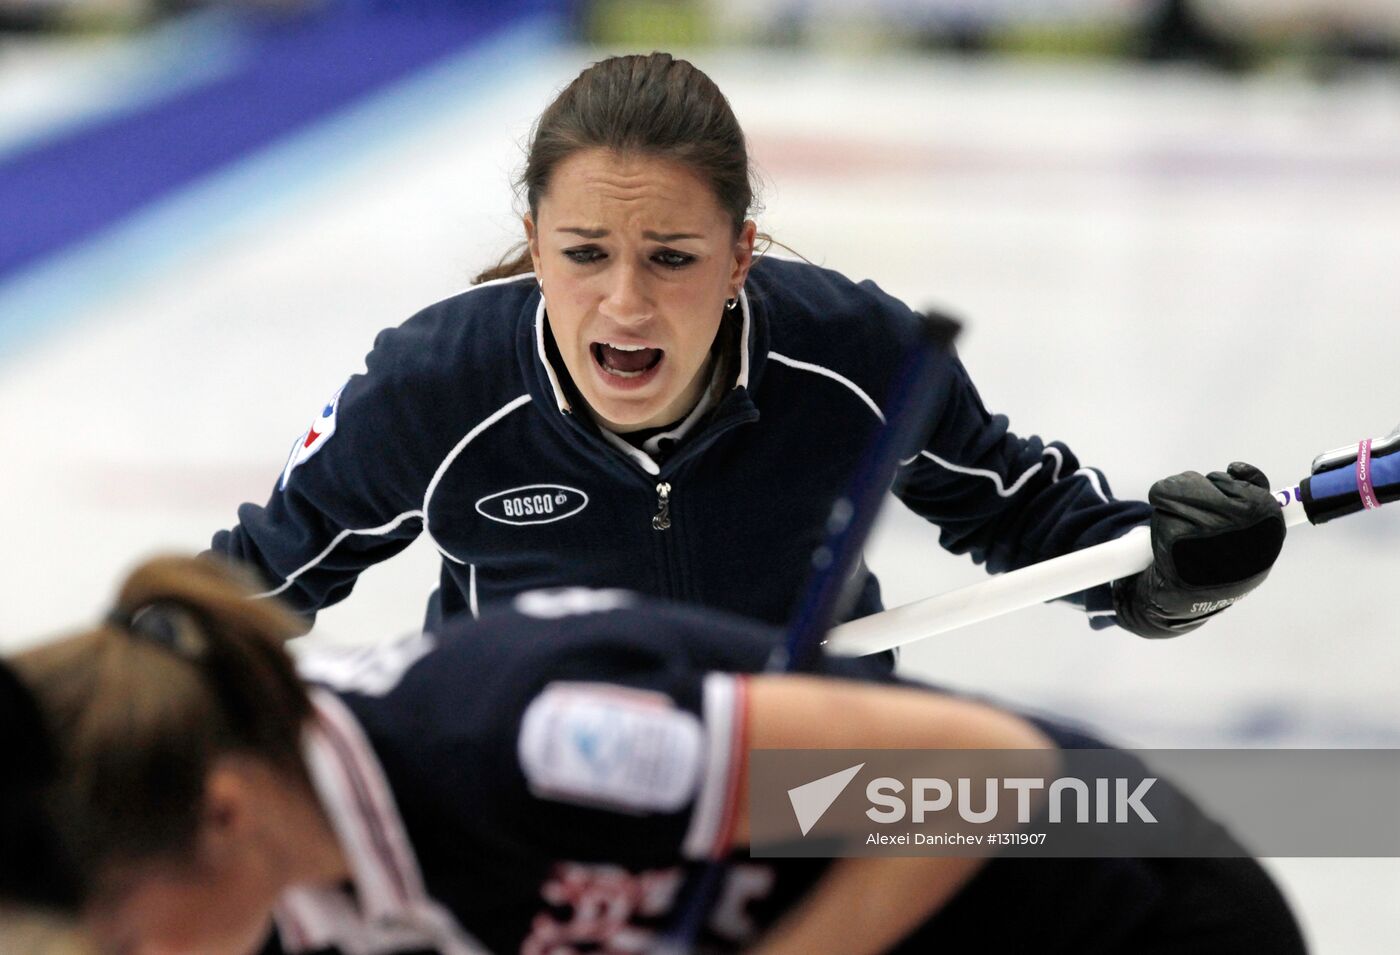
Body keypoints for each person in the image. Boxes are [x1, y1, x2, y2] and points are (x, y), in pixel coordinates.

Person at [209, 52, 1286, 649]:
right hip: (531, 784)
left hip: (808, 787)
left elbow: (1035, 521)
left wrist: (1171, 565)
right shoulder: (434, 385)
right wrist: (133, 672)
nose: (624, 304)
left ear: (740, 257)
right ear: (533, 245)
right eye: (584, 253)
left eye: (671, 258)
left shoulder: (857, 355)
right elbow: (256, 579)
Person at [0, 555, 1305, 954]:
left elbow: (985, 777)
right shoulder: (289, 873)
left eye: (113, 946)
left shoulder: (533, 742)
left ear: (222, 815)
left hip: (1112, 901)